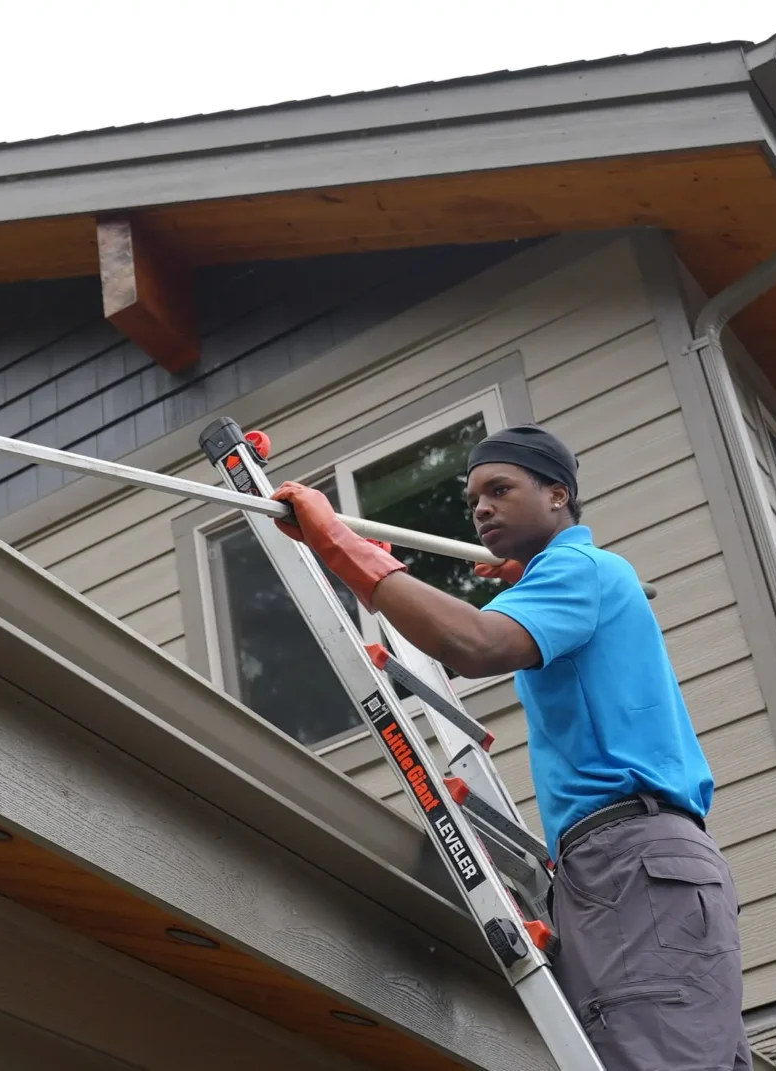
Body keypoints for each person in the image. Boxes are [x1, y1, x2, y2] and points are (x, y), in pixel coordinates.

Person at [268, 425, 745, 1071]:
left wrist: (336, 542)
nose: (482, 507)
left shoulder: (582, 569)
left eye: (500, 489)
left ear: (558, 495)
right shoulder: (577, 578)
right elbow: (467, 647)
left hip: (631, 859)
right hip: (632, 864)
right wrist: (524, 574)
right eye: (473, 500)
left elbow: (474, 645)